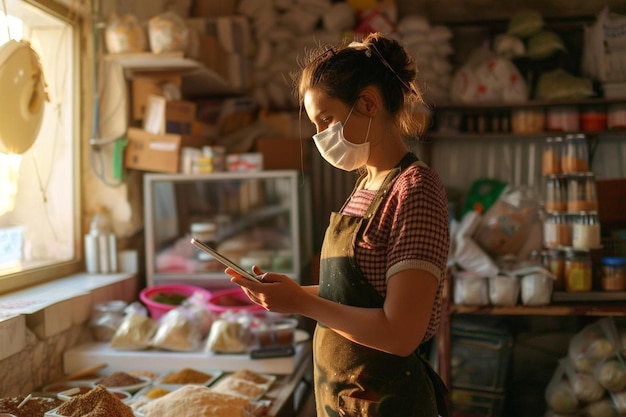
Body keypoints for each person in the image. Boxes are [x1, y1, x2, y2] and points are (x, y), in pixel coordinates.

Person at [226, 32, 450, 417]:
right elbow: (354, 294)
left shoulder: (415, 189)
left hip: (389, 405)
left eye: (326, 119)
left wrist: (302, 303)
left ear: (367, 103)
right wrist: (292, 294)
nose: (320, 136)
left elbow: (400, 333)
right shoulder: (365, 183)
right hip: (345, 402)